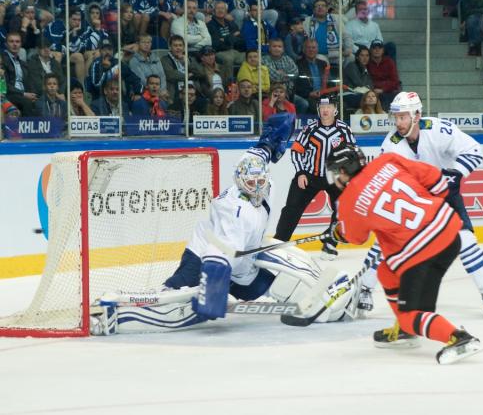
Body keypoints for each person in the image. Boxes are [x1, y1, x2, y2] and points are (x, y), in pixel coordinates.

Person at [90, 118, 360, 334]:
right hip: (205, 258)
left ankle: (327, 296)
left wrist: (273, 137)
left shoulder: (260, 178)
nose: (257, 187)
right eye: (251, 183)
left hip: (243, 262)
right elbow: (218, 256)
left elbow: (261, 152)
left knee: (276, 271)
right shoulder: (236, 210)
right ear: (240, 182)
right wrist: (213, 292)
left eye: (260, 182)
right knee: (182, 303)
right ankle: (118, 309)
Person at [325, 144, 483, 364]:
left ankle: (459, 338)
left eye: (336, 172)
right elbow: (437, 181)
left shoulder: (348, 201)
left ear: (343, 171)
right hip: (449, 232)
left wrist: (337, 232)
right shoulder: (387, 161)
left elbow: (355, 237)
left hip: (421, 254)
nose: (336, 178)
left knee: (411, 316)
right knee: (386, 270)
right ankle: (407, 326)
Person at [357, 91, 483, 316]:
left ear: (417, 115)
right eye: (396, 117)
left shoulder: (439, 130)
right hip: (412, 201)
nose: (398, 122)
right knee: (383, 242)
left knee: (466, 240)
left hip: (445, 196)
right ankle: (364, 289)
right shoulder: (391, 144)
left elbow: (472, 150)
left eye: (403, 117)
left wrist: (456, 174)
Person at [273, 95, 356, 260]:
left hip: (334, 177)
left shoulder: (344, 129)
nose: (325, 110)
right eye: (322, 107)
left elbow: (352, 153)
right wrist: (300, 172)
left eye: (329, 107)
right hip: (309, 176)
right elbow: (297, 150)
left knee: (344, 209)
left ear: (335, 109)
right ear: (318, 109)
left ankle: (330, 242)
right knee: (291, 210)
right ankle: (279, 244)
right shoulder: (309, 129)